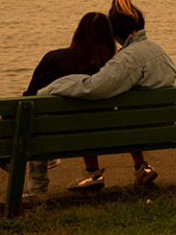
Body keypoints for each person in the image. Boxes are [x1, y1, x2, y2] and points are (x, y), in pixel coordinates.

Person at [38, 0, 176, 190]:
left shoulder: (128, 58)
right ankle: (141, 167)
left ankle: (92, 172)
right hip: (164, 124)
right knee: (126, 109)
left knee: (89, 109)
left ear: (116, 33)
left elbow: (95, 87)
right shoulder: (158, 49)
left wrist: (55, 87)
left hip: (142, 129)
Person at [21, 12, 116, 197]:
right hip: (101, 134)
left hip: (54, 136)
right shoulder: (112, 68)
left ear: (78, 33)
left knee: (36, 125)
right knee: (87, 120)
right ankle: (89, 170)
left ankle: (37, 189)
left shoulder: (54, 58)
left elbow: (30, 98)